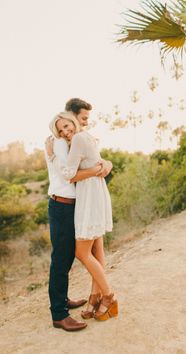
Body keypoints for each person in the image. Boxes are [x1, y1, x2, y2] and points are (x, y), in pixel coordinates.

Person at [46, 110, 118, 323]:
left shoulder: (78, 138)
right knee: (71, 256)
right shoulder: (61, 142)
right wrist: (99, 167)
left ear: (73, 121)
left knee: (83, 252)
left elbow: (77, 169)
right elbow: (71, 173)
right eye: (61, 130)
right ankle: (63, 310)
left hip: (85, 200)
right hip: (71, 202)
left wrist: (103, 165)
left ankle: (104, 297)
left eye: (68, 126)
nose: (66, 132)